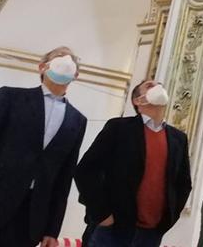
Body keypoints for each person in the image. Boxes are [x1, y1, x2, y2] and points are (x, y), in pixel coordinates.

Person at [0, 47, 87, 247]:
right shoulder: (10, 97)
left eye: (70, 59)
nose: (65, 60)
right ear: (42, 67)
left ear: (75, 75)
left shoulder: (77, 120)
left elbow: (64, 178)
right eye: (59, 57)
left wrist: (52, 230)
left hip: (31, 215)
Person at [75, 79, 192, 247]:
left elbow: (183, 183)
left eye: (160, 85)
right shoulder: (119, 128)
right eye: (150, 86)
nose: (158, 87)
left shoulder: (178, 138)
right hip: (113, 229)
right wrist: (102, 214)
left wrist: (168, 219)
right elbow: (86, 170)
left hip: (151, 234)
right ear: (138, 100)